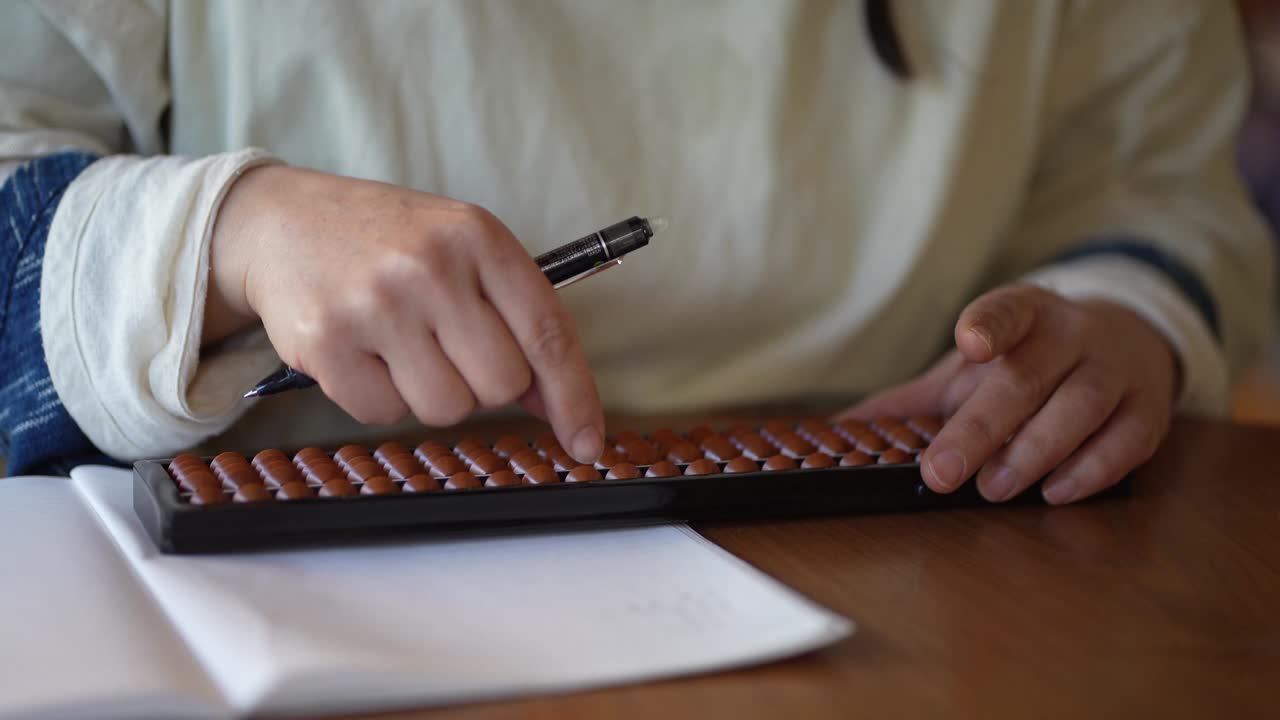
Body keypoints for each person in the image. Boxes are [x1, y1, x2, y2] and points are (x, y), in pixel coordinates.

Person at [1, 0, 1273, 507]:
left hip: (918, 524)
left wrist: (1120, 321)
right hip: (279, 549)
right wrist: (226, 235)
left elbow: (1157, 186)